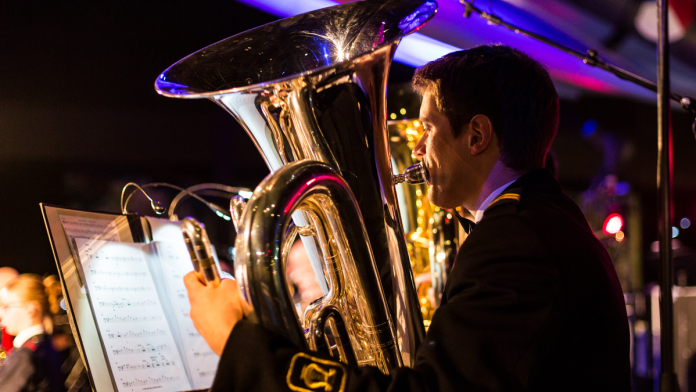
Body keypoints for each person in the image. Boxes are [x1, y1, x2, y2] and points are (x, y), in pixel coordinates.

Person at [184, 45, 630, 391]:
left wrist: (238, 342)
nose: (416, 150)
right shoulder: (540, 220)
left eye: (428, 130)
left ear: (476, 135)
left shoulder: (517, 240)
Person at [0, 274, 65, 392]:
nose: (1, 314)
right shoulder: (46, 346)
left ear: (30, 310)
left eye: (6, 306)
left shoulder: (25, 356)